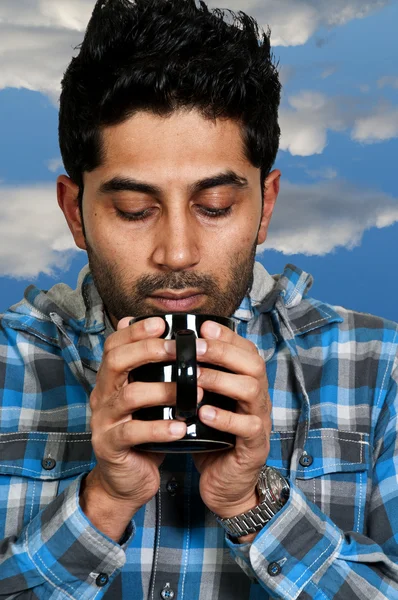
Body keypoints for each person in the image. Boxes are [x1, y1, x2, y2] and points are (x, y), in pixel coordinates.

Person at [0, 0, 397, 598]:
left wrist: (254, 505)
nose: (178, 253)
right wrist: (102, 503)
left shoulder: (382, 368)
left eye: (214, 207)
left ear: (266, 205)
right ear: (73, 214)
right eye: (135, 210)